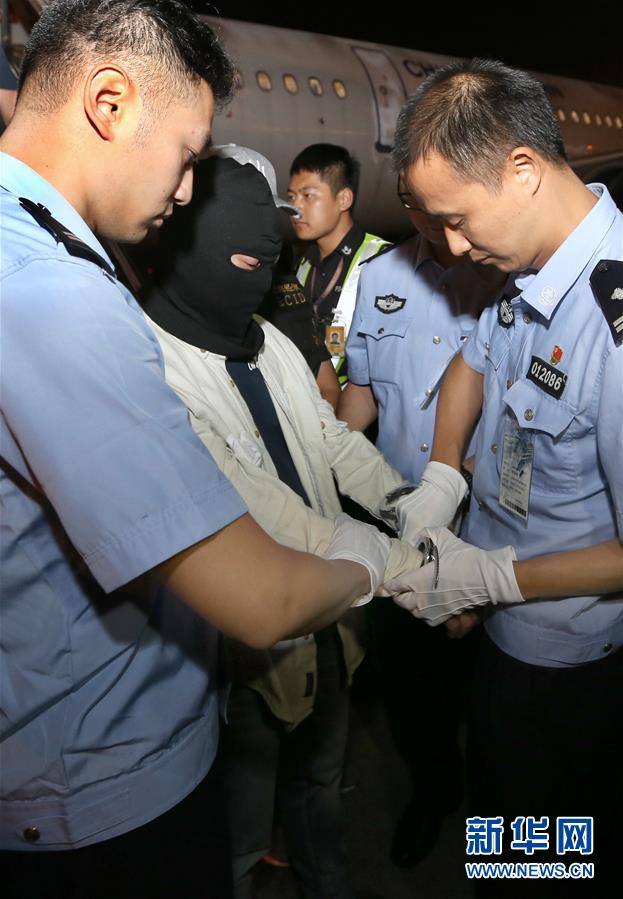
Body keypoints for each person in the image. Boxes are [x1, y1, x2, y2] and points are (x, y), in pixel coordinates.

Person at [0, 4, 400, 897]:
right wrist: (376, 562)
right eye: (186, 155)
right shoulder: (53, 294)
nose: (186, 192)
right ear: (108, 102)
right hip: (103, 783)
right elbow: (260, 601)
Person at [140, 147, 423, 899]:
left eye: (269, 260)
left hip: (335, 612)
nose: (262, 273)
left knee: (321, 795)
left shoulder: (267, 342)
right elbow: (274, 514)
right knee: (238, 829)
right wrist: (410, 566)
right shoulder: (154, 371)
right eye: (246, 257)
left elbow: (333, 442)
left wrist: (408, 504)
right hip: (245, 647)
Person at [385, 59, 623, 896]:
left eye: (455, 219)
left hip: (564, 668)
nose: (451, 247)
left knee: (545, 859)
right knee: (499, 835)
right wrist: (441, 477)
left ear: (521, 169)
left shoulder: (611, 320)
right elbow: (472, 363)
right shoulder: (525, 267)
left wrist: (490, 576)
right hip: (501, 626)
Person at [338, 179, 501, 866]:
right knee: (410, 684)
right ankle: (434, 790)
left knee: (493, 703)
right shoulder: (378, 276)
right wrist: (325, 471)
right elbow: (362, 395)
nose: (432, 219)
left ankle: (502, 825)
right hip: (398, 527)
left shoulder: (504, 274)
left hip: (487, 531)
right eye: (414, 203)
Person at [287, 143, 390, 398]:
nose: (295, 208)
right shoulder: (302, 264)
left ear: (343, 199)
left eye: (308, 196)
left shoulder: (383, 261)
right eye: (291, 197)